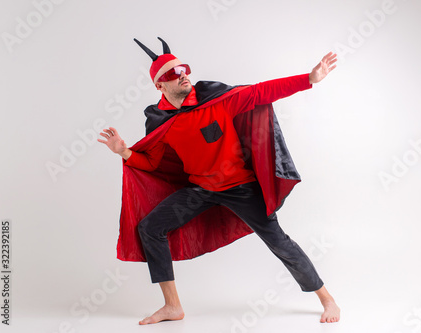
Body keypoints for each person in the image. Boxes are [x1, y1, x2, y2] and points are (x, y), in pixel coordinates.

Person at [98, 37, 340, 325]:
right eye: (173, 73)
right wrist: (124, 151)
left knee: (279, 242)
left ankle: (327, 299)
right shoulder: (161, 120)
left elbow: (262, 91)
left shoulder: (218, 100)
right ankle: (172, 306)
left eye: (184, 68)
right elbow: (152, 163)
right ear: (159, 85)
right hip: (200, 189)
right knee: (150, 227)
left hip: (240, 187)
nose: (183, 74)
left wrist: (309, 79)